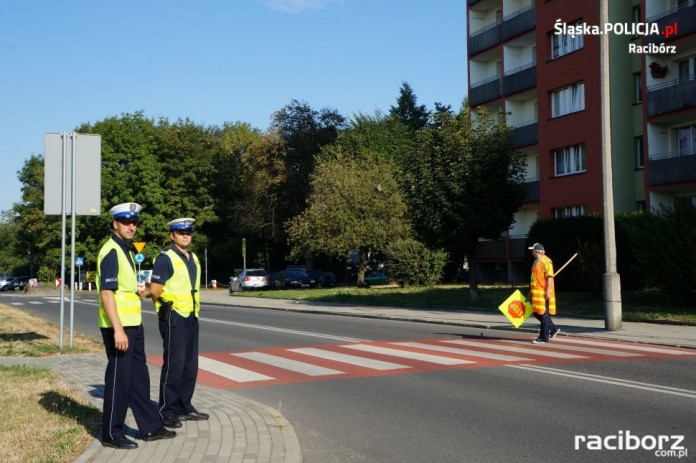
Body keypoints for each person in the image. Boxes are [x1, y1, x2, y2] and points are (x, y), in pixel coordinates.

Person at [97, 203, 176, 449]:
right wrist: (118, 329)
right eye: (126, 222)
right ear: (115, 224)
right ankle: (111, 433)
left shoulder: (127, 251)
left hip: (133, 324)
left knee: (138, 378)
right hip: (118, 327)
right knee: (119, 380)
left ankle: (150, 427)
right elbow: (107, 294)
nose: (131, 226)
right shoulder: (111, 250)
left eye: (134, 222)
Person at [150, 218, 209, 429]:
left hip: (192, 315)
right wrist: (167, 309)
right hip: (174, 317)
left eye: (189, 232)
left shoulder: (193, 258)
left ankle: (185, 406)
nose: (186, 235)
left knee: (190, 365)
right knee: (174, 365)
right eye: (180, 232)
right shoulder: (166, 258)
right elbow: (155, 290)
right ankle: (167, 410)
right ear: (172, 235)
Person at [528, 242, 561, 344]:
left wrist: (547, 293)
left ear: (537, 251)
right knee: (536, 312)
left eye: (532, 250)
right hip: (536, 292)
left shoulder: (546, 262)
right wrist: (530, 292)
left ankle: (543, 337)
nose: (532, 252)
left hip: (543, 292)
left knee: (544, 314)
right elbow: (534, 279)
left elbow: (550, 278)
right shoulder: (536, 261)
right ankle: (553, 329)